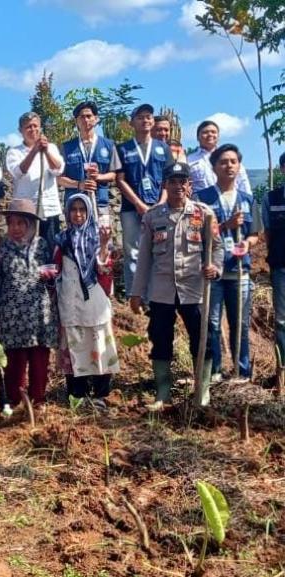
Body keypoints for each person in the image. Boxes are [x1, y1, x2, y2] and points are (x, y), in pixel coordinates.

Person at [130, 162, 222, 409]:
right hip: (162, 291)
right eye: (173, 181)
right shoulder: (153, 217)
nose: (178, 186)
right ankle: (163, 393)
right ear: (165, 185)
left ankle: (201, 392)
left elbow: (218, 247)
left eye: (183, 181)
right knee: (160, 339)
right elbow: (145, 259)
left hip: (194, 289)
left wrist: (215, 267)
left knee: (202, 337)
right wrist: (136, 293)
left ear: (189, 185)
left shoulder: (204, 214)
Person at [194, 144, 260, 384]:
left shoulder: (248, 199)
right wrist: (225, 226)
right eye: (223, 162)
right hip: (213, 272)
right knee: (211, 323)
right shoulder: (202, 199)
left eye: (233, 161)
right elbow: (197, 234)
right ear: (214, 167)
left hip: (240, 272)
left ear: (239, 166)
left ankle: (241, 372)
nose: (229, 165)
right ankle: (214, 371)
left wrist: (248, 245)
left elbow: (254, 233)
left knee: (239, 324)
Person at [54, 194, 120, 409]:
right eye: (73, 209)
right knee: (75, 348)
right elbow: (56, 270)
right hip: (70, 300)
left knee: (97, 344)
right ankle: (77, 395)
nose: (78, 214)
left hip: (94, 301)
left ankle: (100, 394)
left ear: (89, 212)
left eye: (83, 209)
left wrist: (102, 245)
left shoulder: (98, 238)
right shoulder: (61, 239)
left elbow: (103, 268)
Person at [0, 199, 58, 410]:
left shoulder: (41, 245)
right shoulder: (2, 248)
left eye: (21, 223)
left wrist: (49, 276)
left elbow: (53, 273)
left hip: (40, 312)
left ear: (30, 224)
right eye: (12, 223)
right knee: (15, 362)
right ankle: (16, 402)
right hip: (13, 314)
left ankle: (38, 400)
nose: (16, 228)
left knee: (39, 358)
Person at [116, 103, 175, 296]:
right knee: (132, 251)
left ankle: (154, 296)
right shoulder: (122, 149)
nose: (146, 120)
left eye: (149, 116)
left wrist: (161, 202)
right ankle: (134, 295)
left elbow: (169, 179)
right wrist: (138, 204)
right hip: (131, 209)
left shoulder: (163, 149)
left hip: (159, 207)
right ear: (132, 123)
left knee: (158, 251)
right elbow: (120, 180)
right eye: (140, 117)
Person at [6, 112, 65, 246]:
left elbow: (58, 170)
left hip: (49, 209)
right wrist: (34, 151)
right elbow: (19, 172)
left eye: (35, 126)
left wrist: (46, 152)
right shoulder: (14, 152)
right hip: (26, 212)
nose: (33, 130)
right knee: (27, 251)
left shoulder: (52, 148)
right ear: (20, 130)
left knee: (51, 249)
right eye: (28, 127)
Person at [58, 102, 121, 217]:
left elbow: (113, 175)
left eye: (89, 116)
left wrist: (98, 177)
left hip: (100, 203)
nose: (86, 120)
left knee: (103, 234)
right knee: (75, 235)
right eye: (82, 117)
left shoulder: (109, 145)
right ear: (76, 121)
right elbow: (59, 178)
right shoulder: (66, 148)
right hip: (75, 206)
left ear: (96, 119)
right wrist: (79, 185)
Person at [262, 152, 285, 369]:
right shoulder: (271, 199)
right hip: (281, 266)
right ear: (282, 169)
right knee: (281, 320)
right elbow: (267, 233)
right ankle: (283, 369)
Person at [188, 120, 252, 195]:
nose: (210, 134)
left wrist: (247, 201)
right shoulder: (189, 160)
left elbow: (243, 181)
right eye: (205, 132)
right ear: (197, 137)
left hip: (231, 202)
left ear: (218, 136)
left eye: (213, 132)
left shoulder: (231, 158)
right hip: (200, 203)